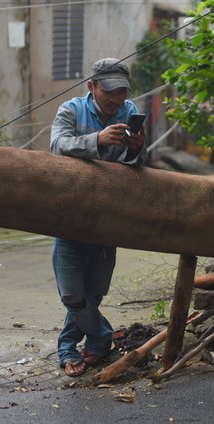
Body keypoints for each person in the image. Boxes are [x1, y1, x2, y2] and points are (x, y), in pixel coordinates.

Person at [50, 58, 148, 377]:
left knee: (92, 294)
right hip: (70, 217)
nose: (117, 100)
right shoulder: (71, 110)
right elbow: (57, 146)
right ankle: (101, 336)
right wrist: (97, 140)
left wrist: (137, 148)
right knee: (71, 294)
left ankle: (73, 347)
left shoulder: (129, 111)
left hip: (108, 221)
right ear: (91, 87)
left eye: (122, 92)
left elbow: (134, 166)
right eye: (110, 92)